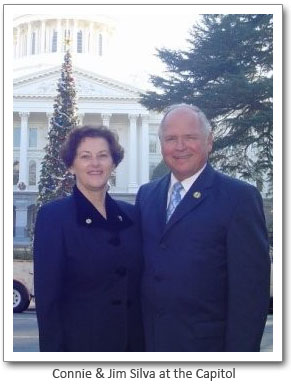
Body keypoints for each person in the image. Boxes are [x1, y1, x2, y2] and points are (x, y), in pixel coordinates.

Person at [136, 104, 270, 352]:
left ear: (209, 142)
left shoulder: (239, 198)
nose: (180, 146)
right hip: (150, 348)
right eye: (171, 138)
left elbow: (250, 294)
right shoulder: (146, 195)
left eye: (190, 137)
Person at [34, 125, 144, 352]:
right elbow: (48, 301)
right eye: (85, 156)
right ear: (72, 165)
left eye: (103, 156)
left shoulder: (131, 215)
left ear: (113, 163)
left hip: (133, 350)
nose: (95, 163)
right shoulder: (54, 217)